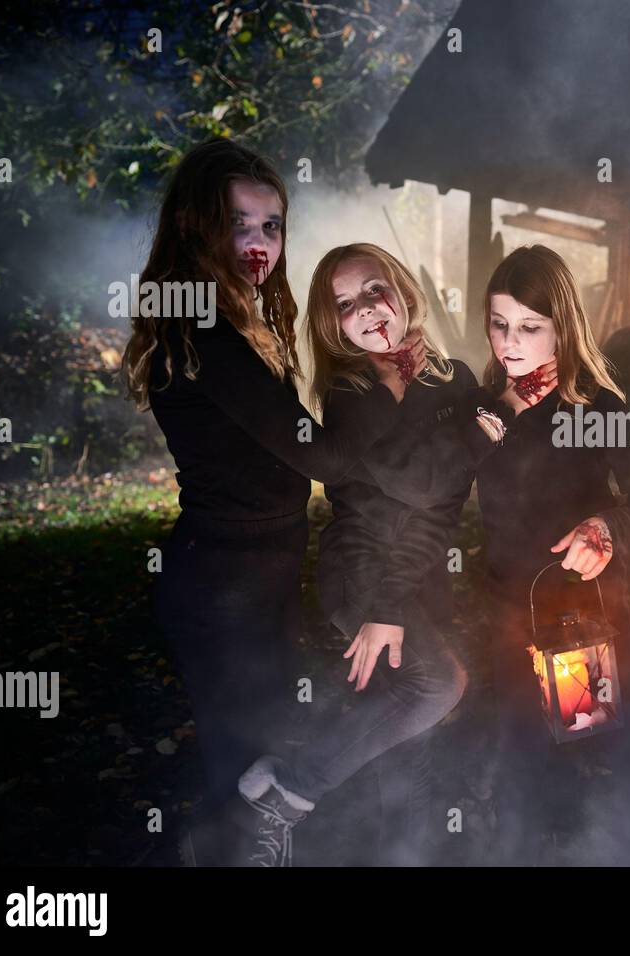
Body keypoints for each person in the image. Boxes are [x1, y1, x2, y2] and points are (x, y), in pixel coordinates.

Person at [119, 139, 426, 860]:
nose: (259, 243)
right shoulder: (203, 325)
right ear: (197, 225)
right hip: (222, 583)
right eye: (239, 223)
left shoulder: (237, 316)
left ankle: (220, 849)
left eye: (272, 225)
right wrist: (390, 382)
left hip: (262, 569)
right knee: (241, 763)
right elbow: (319, 455)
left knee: (259, 755)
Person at [359, 245, 630, 864]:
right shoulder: (480, 409)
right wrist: (387, 597)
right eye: (499, 324)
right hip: (512, 613)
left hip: (589, 614)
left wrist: (608, 527)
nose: (511, 342)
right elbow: (433, 500)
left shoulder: (600, 407)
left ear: (564, 326)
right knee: (524, 761)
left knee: (619, 749)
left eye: (531, 327)